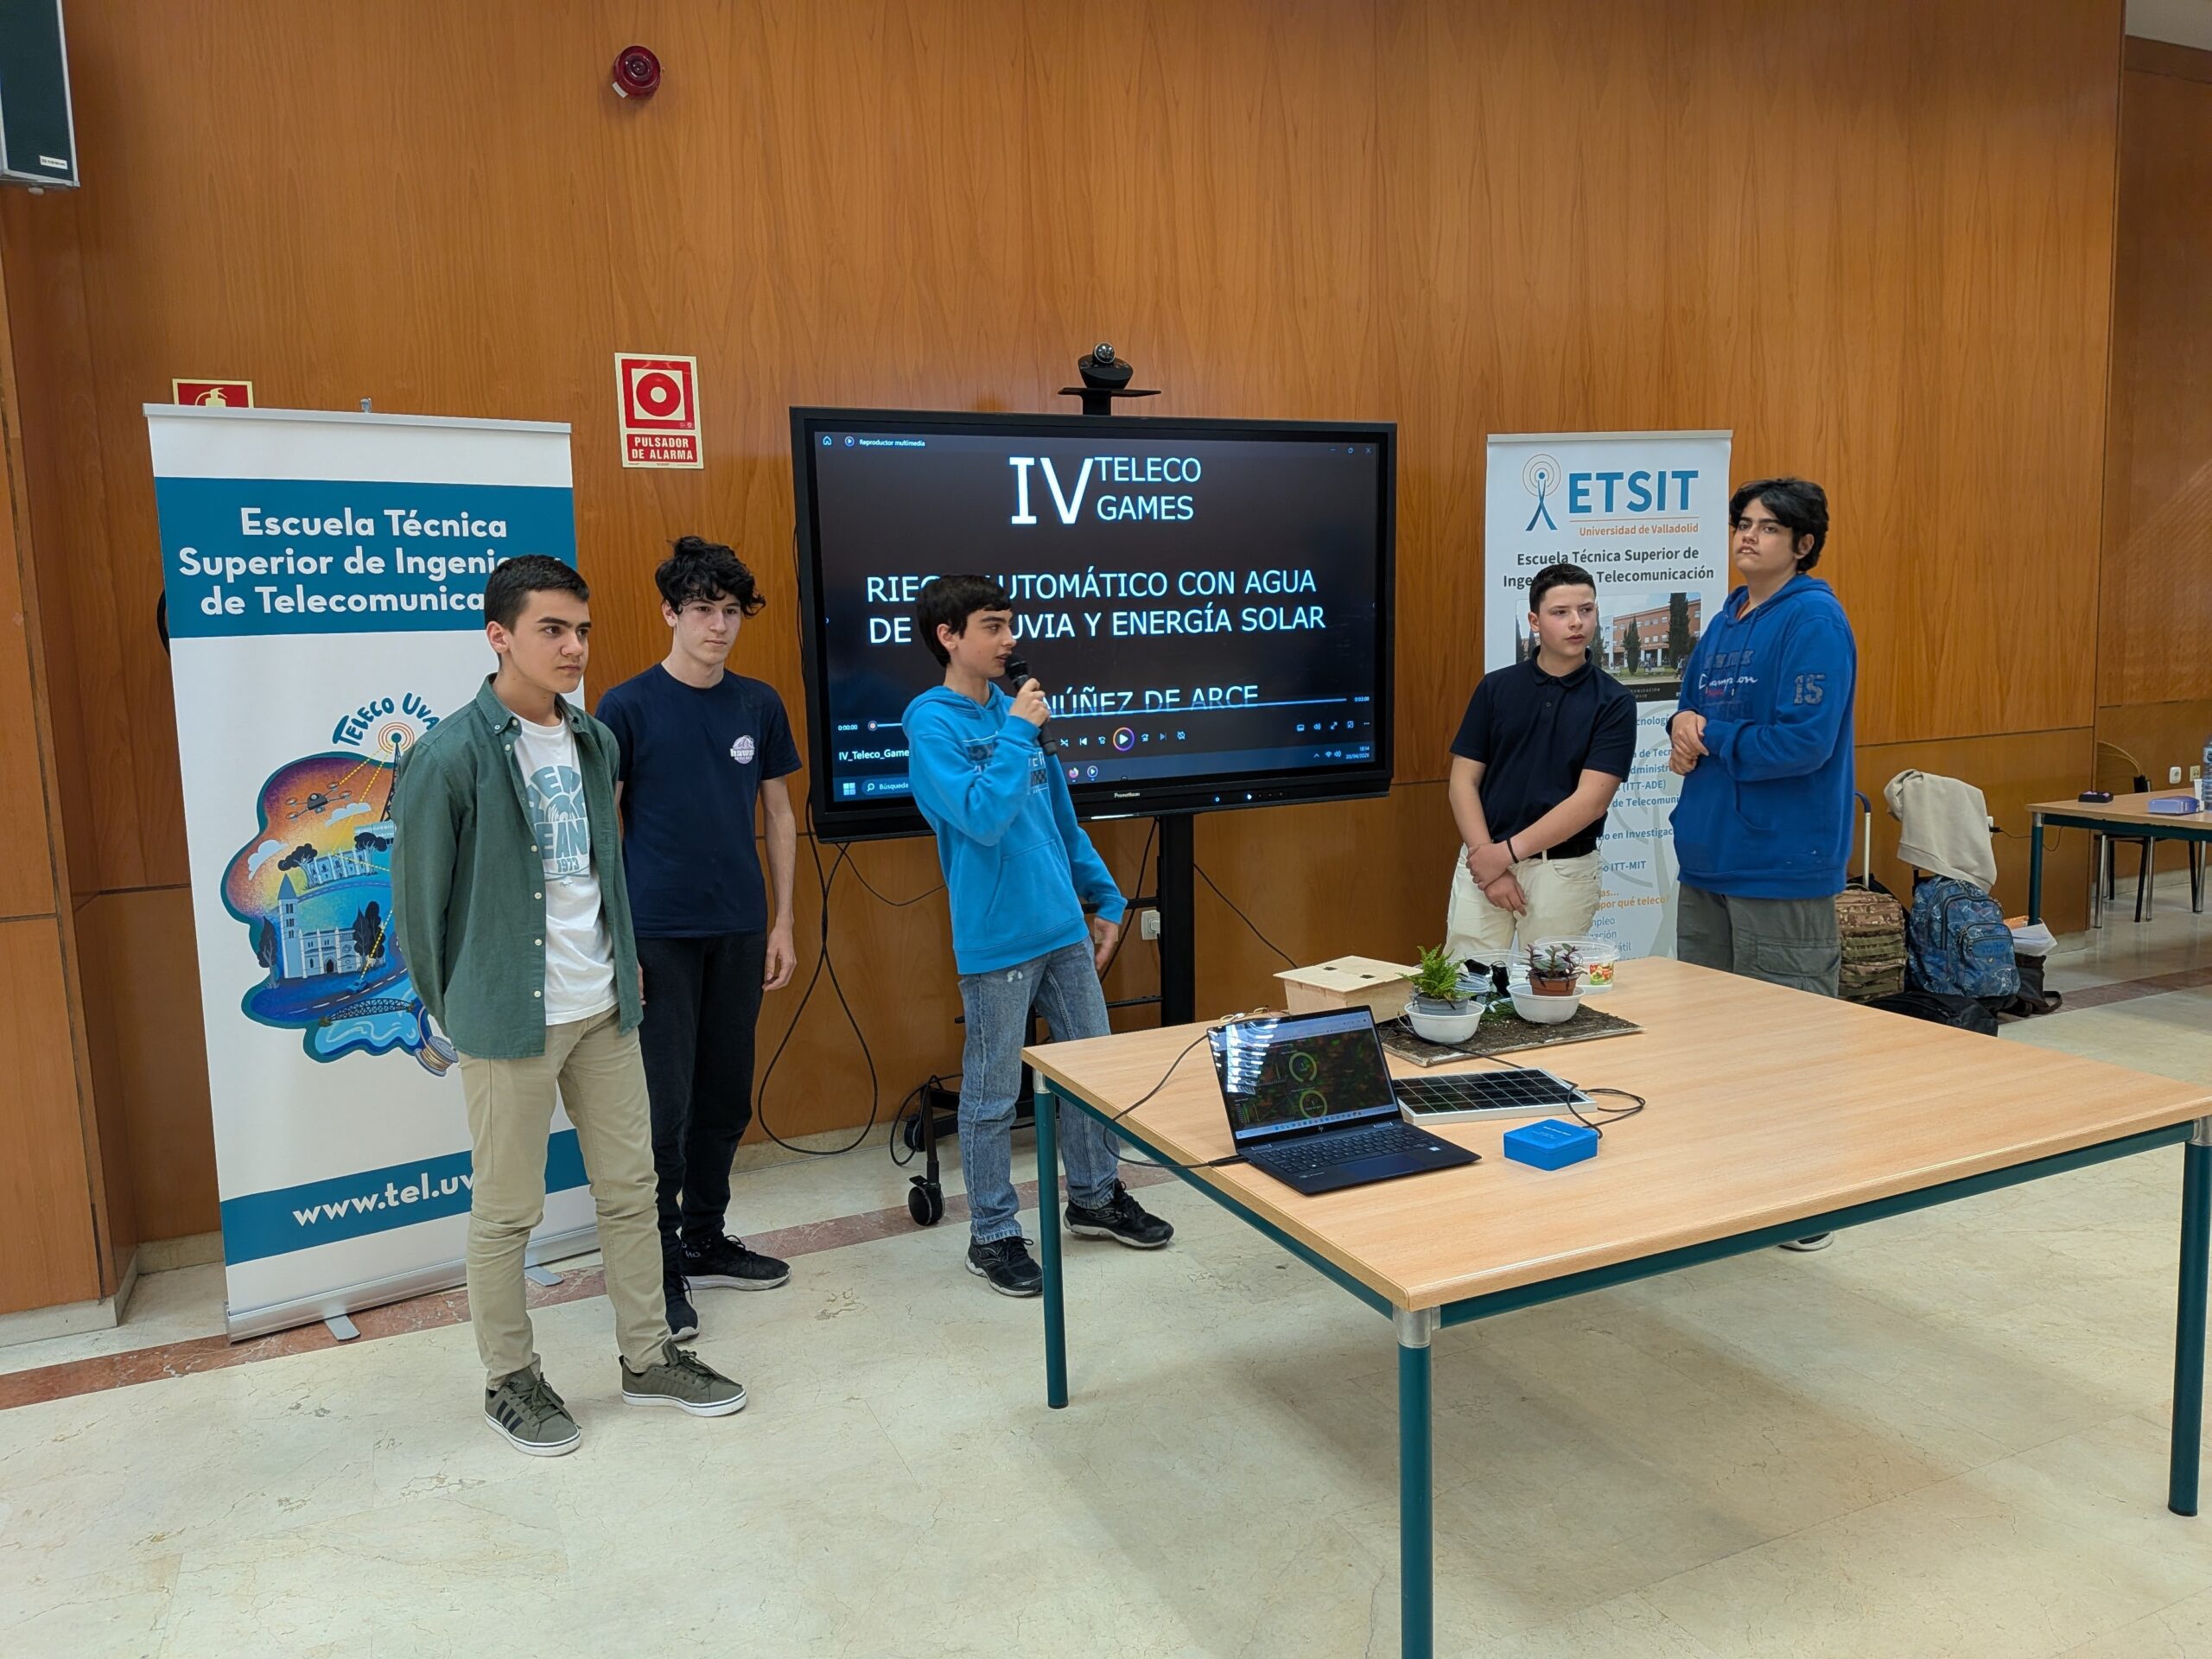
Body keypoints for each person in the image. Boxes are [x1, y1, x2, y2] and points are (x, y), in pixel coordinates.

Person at [392, 555, 746, 1455]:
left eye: (581, 630)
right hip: (510, 1020)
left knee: (631, 1191)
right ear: (499, 636)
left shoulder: (593, 740)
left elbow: (600, 875)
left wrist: (619, 974)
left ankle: (648, 1357)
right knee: (507, 1211)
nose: (574, 647)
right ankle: (509, 1379)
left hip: (603, 1009)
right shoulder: (448, 756)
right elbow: (419, 916)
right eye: (552, 629)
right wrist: (467, 1009)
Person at [903, 575, 1173, 1296]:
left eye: (1010, 624)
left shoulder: (1016, 711)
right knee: (992, 1094)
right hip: (997, 938)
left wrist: (1105, 895)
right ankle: (992, 1234)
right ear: (948, 636)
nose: (1009, 640)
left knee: (1090, 1072)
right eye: (992, 626)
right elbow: (982, 818)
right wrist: (1018, 731)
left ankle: (1095, 1196)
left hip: (1060, 924)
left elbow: (1058, 818)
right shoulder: (931, 726)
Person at [595, 537, 800, 1343]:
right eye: (703, 610)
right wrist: (619, 944)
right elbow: (602, 832)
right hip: (659, 935)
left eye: (731, 612)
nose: (719, 626)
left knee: (724, 1097)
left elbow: (779, 814)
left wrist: (783, 921)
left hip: (740, 928)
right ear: (670, 614)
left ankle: (706, 1237)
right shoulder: (626, 706)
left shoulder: (758, 705)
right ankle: (659, 1263)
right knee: (665, 1110)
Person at [1668, 477, 1857, 1251]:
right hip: (1709, 857)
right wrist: (1683, 730)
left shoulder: (1814, 620)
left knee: (1788, 1042)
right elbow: (1688, 713)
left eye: (1768, 528)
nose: (1748, 536)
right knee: (1716, 1043)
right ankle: (1733, 1191)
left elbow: (1806, 741)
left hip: (1781, 862)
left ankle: (1802, 1203)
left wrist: (1711, 737)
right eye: (1742, 523)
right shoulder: (1724, 619)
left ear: (1803, 544)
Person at [1444, 562, 1636, 966]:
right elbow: (1463, 781)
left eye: (1586, 610)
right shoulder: (1496, 687)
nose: (1576, 622)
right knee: (1466, 985)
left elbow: (1591, 802)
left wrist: (1506, 855)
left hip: (1561, 871)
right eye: (1560, 612)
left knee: (1549, 988)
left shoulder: (1614, 701)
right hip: (1483, 859)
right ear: (1535, 621)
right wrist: (1488, 859)